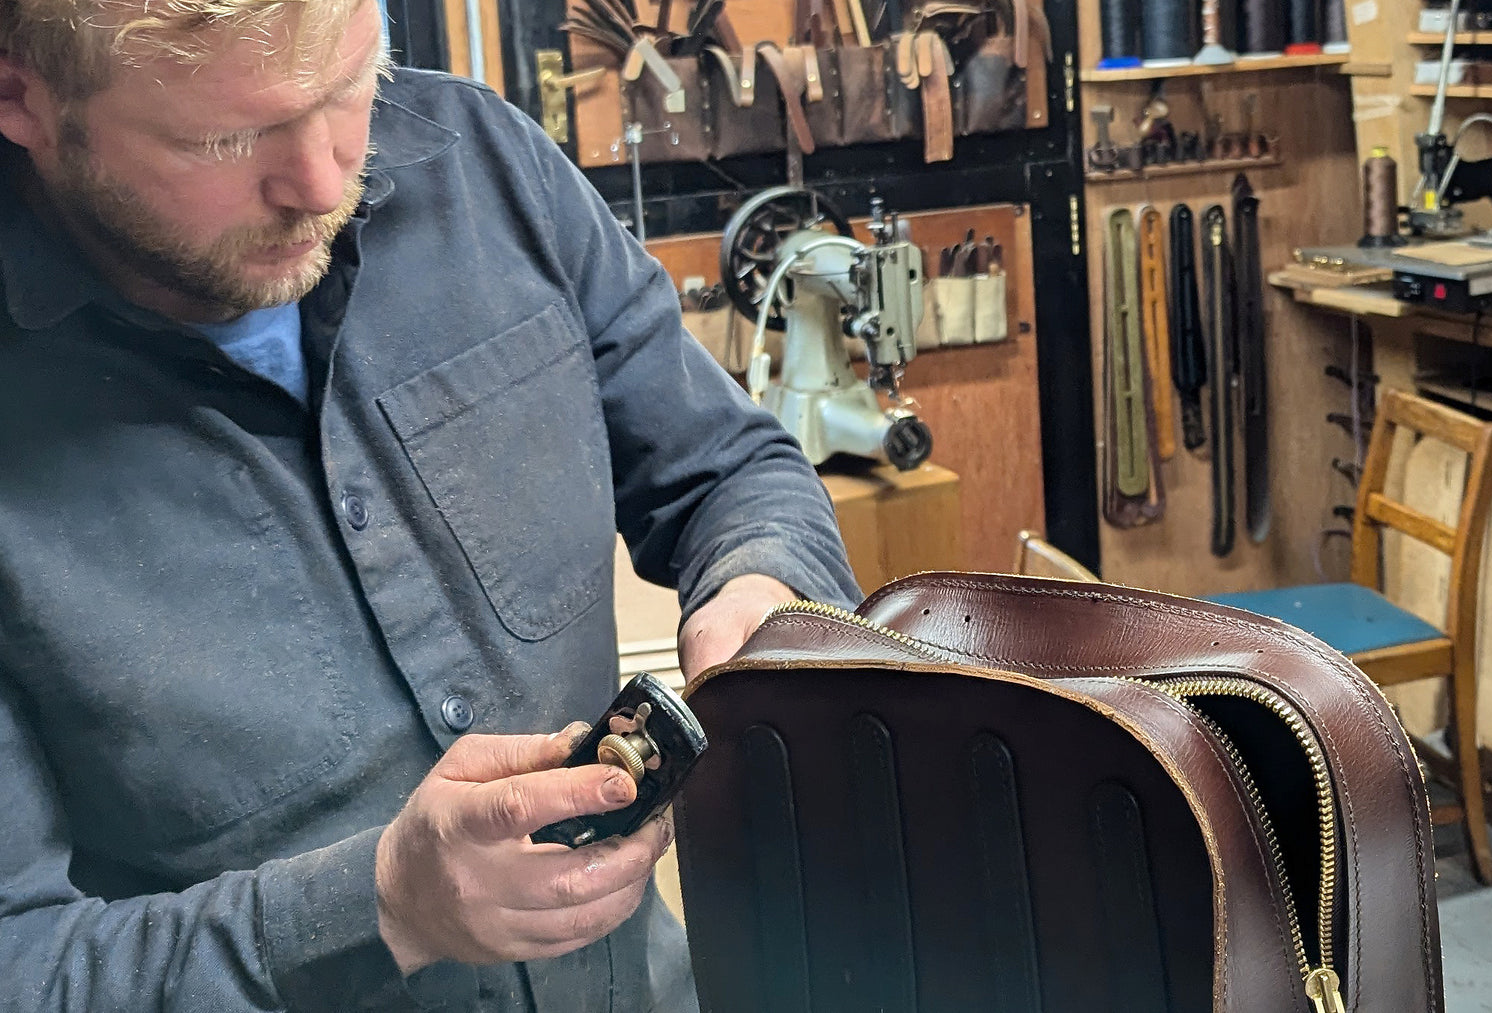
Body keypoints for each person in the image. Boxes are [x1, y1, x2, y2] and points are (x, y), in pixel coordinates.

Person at [0, 0, 861, 1006]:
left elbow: (728, 466)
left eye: (351, 84)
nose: (323, 184)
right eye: (223, 139)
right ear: (22, 94)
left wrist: (759, 585)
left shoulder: (486, 166)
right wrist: (379, 907)